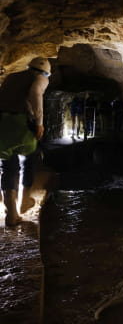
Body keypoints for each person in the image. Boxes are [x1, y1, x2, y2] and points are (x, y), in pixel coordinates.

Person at [0, 57, 50, 226]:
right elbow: (36, 93)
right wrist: (39, 123)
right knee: (28, 160)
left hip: (2, 124)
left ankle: (11, 213)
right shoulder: (40, 78)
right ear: (45, 72)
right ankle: (24, 200)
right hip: (20, 124)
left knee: (7, 167)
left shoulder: (12, 76)